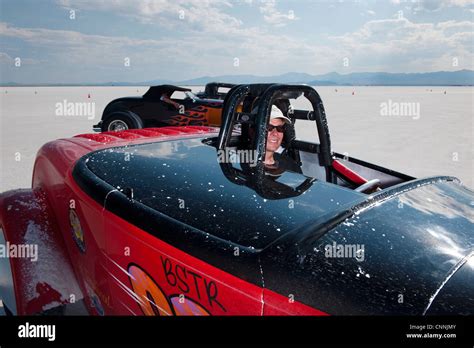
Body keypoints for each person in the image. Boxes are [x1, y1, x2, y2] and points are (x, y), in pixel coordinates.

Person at [264, 105, 301, 175]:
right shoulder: (242, 160)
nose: (275, 133)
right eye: (269, 127)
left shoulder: (289, 165)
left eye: (280, 128)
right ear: (252, 130)